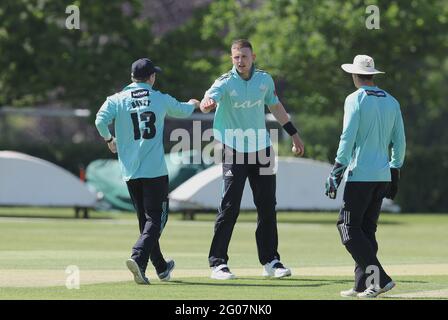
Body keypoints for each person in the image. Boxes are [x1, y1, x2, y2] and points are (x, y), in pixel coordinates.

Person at [200, 39, 305, 280]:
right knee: (230, 207)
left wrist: (294, 134)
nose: (240, 61)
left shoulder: (264, 80)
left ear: (253, 57)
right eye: (236, 57)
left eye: (244, 57)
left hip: (262, 150)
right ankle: (218, 263)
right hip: (233, 149)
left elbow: (276, 107)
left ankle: (271, 261)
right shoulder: (224, 82)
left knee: (267, 206)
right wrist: (207, 104)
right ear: (232, 59)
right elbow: (208, 103)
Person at [95, 58, 200, 285]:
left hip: (130, 171)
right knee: (157, 219)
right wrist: (193, 103)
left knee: (145, 221)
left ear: (132, 77)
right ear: (151, 77)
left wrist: (109, 139)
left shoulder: (117, 99)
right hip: (154, 170)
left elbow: (99, 120)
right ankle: (138, 256)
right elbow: (183, 111)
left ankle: (161, 267)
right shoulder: (159, 98)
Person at [325, 55, 406, 298]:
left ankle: (380, 278)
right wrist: (395, 171)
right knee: (366, 230)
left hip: (361, 175)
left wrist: (336, 171)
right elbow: (399, 142)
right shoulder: (392, 101)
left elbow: (347, 137)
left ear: (354, 75)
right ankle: (364, 284)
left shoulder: (355, 99)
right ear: (372, 74)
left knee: (347, 228)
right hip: (382, 176)